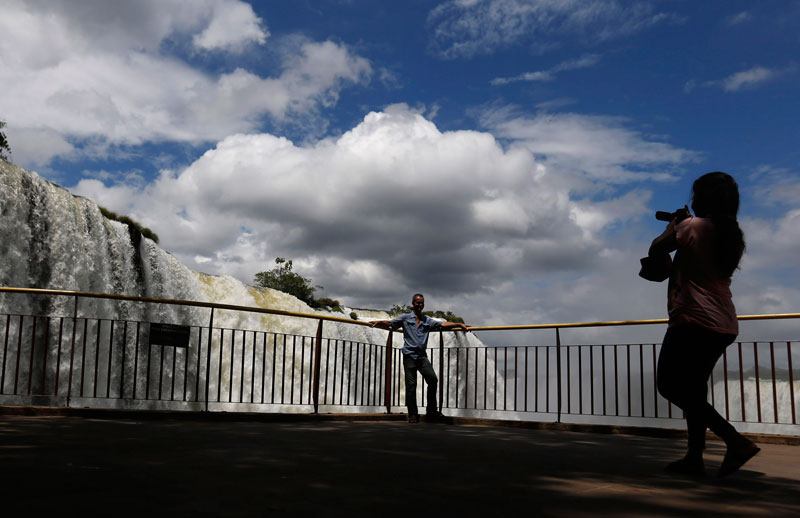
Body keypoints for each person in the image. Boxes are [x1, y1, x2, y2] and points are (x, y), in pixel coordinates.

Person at [646, 171, 759, 478]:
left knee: (669, 385)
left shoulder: (692, 227)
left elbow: (657, 248)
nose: (692, 199)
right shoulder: (732, 236)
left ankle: (735, 441)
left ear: (704, 198)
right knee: (694, 391)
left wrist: (675, 225)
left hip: (692, 319)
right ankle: (694, 458)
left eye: (696, 194)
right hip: (723, 323)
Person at [370, 293, 471, 423]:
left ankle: (431, 411)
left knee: (433, 380)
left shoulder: (426, 320)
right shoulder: (406, 318)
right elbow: (391, 323)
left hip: (422, 357)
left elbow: (442, 324)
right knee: (411, 386)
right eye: (417, 303)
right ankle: (413, 414)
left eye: (422, 303)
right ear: (413, 303)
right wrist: (379, 323)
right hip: (409, 356)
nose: (420, 305)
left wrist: (458, 324)